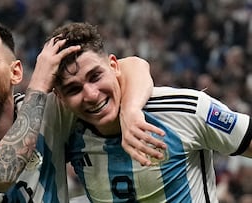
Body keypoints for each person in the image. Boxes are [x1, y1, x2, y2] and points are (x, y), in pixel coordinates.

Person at [0, 15, 165, 203]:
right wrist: (40, 83)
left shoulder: (50, 113)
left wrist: (131, 110)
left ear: (15, 72)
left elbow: (131, 66)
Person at [45, 22, 252, 202]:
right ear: (60, 98)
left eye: (95, 76)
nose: (90, 94)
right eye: (74, 89)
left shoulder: (184, 110)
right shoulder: (66, 133)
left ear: (114, 65)